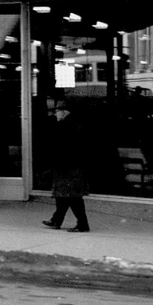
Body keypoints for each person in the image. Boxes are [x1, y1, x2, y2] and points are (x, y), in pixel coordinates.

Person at [42, 99, 91, 233]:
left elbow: (63, 148)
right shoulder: (75, 124)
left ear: (64, 112)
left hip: (69, 166)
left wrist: (57, 163)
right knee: (64, 195)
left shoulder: (67, 126)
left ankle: (82, 224)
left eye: (57, 111)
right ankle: (56, 220)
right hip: (73, 165)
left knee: (70, 196)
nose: (55, 114)